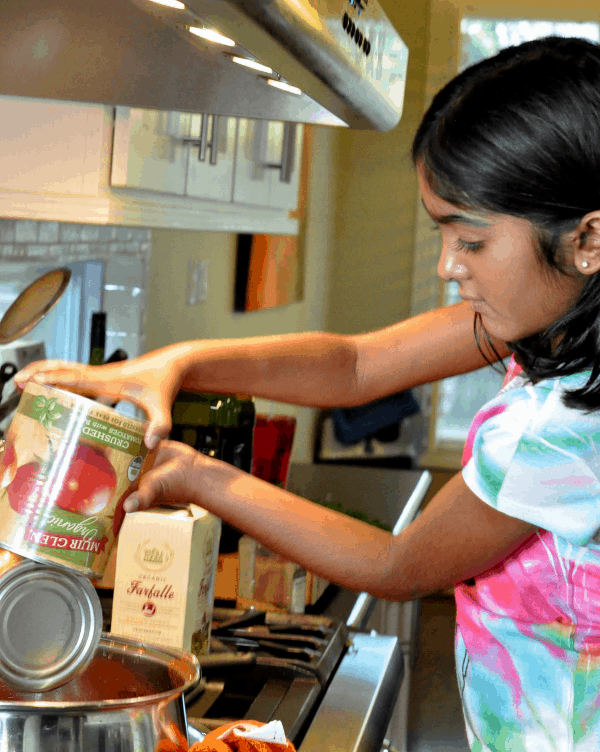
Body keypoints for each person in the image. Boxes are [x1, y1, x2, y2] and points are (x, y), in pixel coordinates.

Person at [16, 35, 600, 751]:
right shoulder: (555, 323)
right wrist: (176, 364)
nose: (449, 266)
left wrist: (199, 476)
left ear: (587, 240)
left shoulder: (564, 426)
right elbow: (355, 367)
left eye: (470, 241)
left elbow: (398, 565)